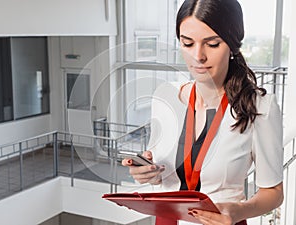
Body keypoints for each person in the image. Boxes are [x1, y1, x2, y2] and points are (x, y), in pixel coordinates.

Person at [122, 0, 284, 224]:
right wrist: (147, 171)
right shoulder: (165, 97)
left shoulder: (260, 107)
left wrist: (238, 211)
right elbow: (161, 169)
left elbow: (274, 193)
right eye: (187, 43)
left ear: (232, 44)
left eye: (212, 44)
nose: (198, 56)